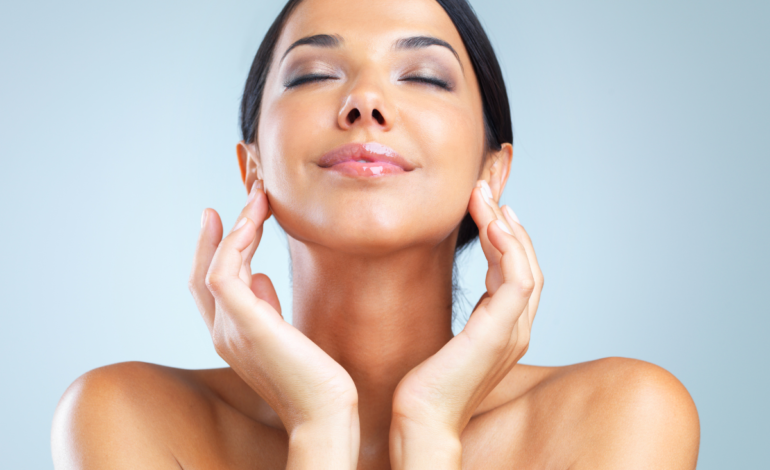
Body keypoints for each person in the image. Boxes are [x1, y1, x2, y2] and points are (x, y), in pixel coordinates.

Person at [51, 0, 700, 468]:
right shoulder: (124, 417)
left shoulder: (622, 417)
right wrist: (320, 425)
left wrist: (429, 429)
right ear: (253, 167)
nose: (365, 102)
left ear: (491, 169)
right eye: (313, 74)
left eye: (423, 76)